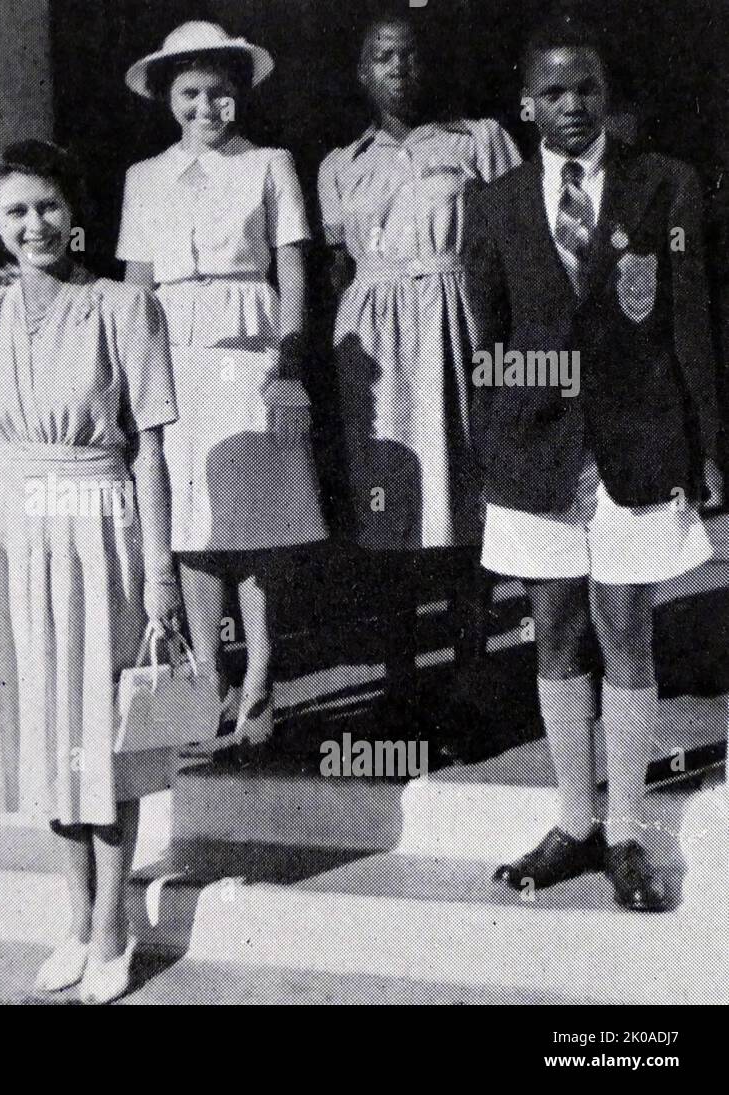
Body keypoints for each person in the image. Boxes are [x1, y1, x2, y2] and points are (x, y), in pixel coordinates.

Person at [463, 18, 722, 911]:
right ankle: (573, 821)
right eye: (554, 91)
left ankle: (627, 833)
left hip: (639, 444)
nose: (573, 106)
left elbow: (690, 321)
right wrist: (494, 442)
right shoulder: (493, 203)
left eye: (588, 89)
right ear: (524, 101)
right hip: (536, 449)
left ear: (607, 96)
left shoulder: (665, 186)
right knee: (557, 632)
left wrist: (708, 442)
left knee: (626, 629)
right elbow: (487, 340)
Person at [0, 140, 181, 1003]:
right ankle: (77, 917)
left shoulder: (124, 306)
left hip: (100, 528)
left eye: (47, 206)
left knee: (103, 729)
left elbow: (152, 446)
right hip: (15, 533)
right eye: (16, 211)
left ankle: (117, 926)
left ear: (71, 212)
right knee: (49, 729)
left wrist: (160, 572)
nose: (34, 224)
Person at [118, 21, 328, 749]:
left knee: (261, 518)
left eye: (218, 93)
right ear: (168, 99)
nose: (205, 107)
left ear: (237, 97)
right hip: (174, 354)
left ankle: (263, 669)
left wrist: (292, 368)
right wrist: (128, 377)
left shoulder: (270, 163)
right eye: (189, 94)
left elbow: (295, 270)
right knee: (192, 524)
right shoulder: (144, 178)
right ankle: (208, 675)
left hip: (253, 354)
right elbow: (135, 285)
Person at [318, 14, 522, 724]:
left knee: (466, 497)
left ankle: (472, 678)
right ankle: (399, 685)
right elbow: (338, 265)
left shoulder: (481, 139)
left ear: (427, 66)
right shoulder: (341, 164)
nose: (398, 66)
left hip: (456, 321)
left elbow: (513, 245)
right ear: (363, 74)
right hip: (374, 338)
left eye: (409, 54)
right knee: (388, 509)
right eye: (382, 56)